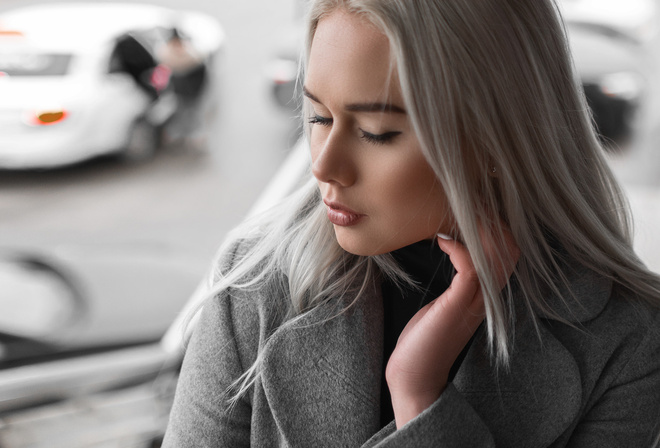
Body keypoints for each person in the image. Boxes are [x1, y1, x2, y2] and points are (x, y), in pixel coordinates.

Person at [163, 0, 660, 446]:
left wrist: (419, 397)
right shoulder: (254, 278)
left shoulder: (629, 341)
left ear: (495, 138)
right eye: (318, 118)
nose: (324, 166)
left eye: (377, 132)